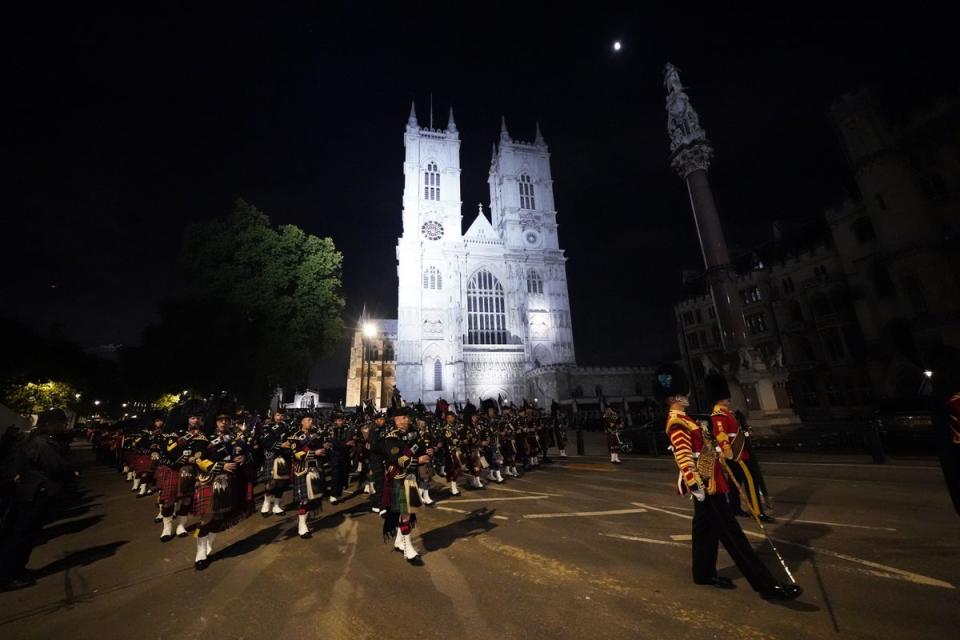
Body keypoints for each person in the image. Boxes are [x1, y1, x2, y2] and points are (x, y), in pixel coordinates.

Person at [653, 363, 801, 601]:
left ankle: (702, 573)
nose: (689, 395)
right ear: (674, 396)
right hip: (705, 483)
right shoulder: (677, 421)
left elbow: (702, 448)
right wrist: (694, 484)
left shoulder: (686, 418)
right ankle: (766, 586)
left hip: (710, 478)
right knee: (734, 536)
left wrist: (717, 454)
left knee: (704, 529)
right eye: (685, 392)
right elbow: (682, 456)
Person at [0, 409, 78, 591]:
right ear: (50, 424)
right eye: (61, 423)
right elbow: (55, 466)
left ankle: (14, 571)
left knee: (20, 535)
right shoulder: (42, 443)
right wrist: (70, 473)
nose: (64, 426)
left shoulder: (34, 440)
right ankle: (11, 575)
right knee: (23, 536)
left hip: (28, 492)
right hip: (35, 494)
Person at [704, 372, 773, 522]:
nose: (729, 399)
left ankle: (734, 507)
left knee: (736, 482)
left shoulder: (728, 413)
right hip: (737, 455)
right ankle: (757, 511)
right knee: (751, 481)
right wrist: (728, 451)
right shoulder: (718, 415)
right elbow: (721, 434)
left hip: (740, 452)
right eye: (726, 396)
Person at [378, 407, 430, 565]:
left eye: (407, 418)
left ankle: (400, 542)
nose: (406, 420)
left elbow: (419, 449)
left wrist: (427, 451)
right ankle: (408, 550)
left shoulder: (410, 435)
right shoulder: (391, 438)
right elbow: (398, 460)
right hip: (398, 478)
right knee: (406, 514)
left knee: (408, 513)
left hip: (409, 477)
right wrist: (418, 460)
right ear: (395, 420)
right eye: (402, 418)